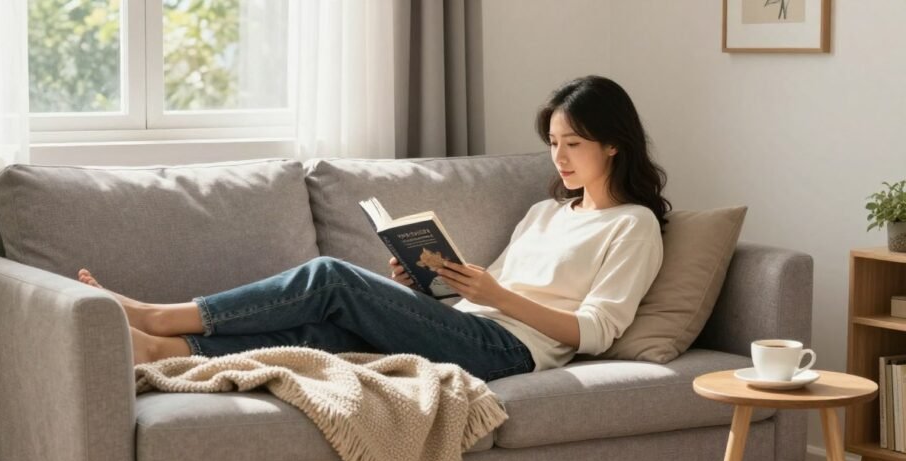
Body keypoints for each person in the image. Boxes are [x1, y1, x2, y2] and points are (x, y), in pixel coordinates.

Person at [78, 75, 670, 381]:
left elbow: (596, 332)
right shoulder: (547, 212)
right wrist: (428, 282)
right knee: (324, 334)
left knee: (332, 277)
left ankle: (156, 314)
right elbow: (491, 290)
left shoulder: (633, 226)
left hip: (510, 352)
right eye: (552, 144)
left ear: (613, 145)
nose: (559, 158)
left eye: (573, 144)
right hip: (469, 324)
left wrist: (496, 295)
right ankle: (165, 348)